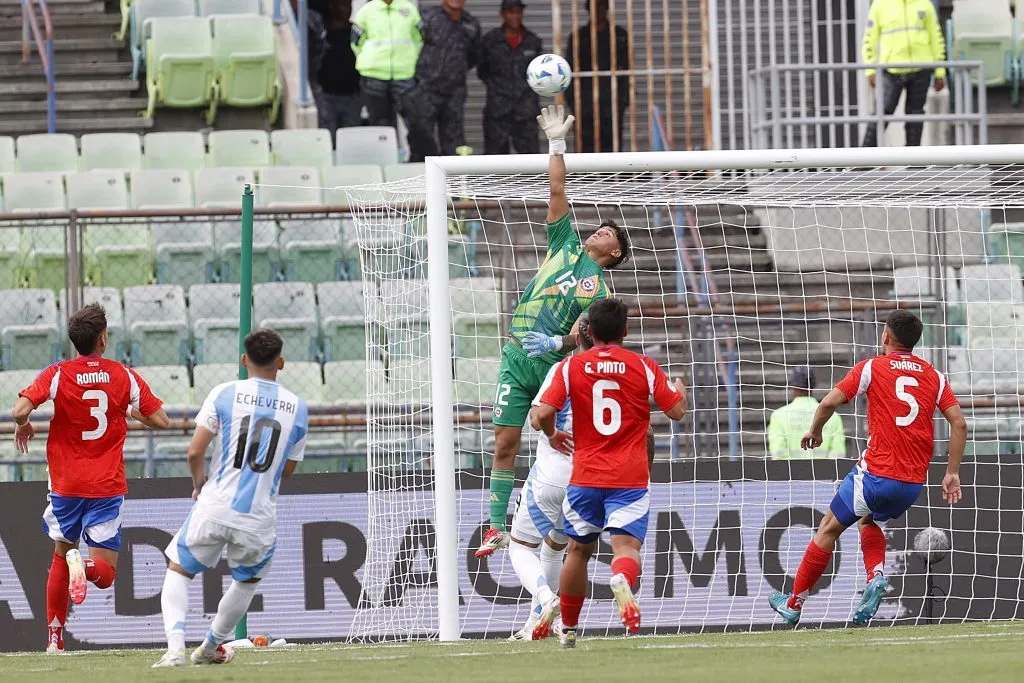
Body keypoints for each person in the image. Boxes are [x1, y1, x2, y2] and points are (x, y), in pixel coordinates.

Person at [474, 105, 631, 559]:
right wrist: (557, 144)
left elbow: (586, 335)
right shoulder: (563, 243)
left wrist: (556, 343)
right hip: (514, 355)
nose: (596, 231)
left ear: (615, 251)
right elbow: (557, 187)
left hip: (548, 365)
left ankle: (548, 526)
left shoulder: (599, 289)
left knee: (551, 447)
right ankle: (494, 526)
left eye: (605, 233)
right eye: (597, 227)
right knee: (504, 441)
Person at [768, 310, 967, 627]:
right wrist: (952, 472)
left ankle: (793, 604)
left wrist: (816, 432)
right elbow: (959, 423)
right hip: (912, 483)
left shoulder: (873, 367)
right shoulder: (935, 376)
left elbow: (828, 403)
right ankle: (875, 575)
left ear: (886, 336)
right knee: (867, 519)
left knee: (829, 527)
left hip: (876, 473)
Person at [12, 303, 169, 654]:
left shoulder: (58, 373)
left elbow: (19, 409)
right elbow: (161, 420)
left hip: (66, 485)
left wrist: (24, 426)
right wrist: (128, 410)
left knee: (58, 555)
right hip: (105, 486)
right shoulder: (122, 375)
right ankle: (82, 565)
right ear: (103, 338)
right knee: (106, 574)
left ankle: (54, 638)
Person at [530, 297, 687, 647]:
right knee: (627, 549)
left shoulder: (571, 368)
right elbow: (676, 412)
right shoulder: (643, 366)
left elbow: (541, 415)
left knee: (577, 552)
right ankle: (619, 579)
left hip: (584, 476)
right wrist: (681, 392)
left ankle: (568, 630)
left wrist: (553, 434)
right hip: (629, 478)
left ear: (590, 332)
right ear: (625, 331)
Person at [152, 329, 309, 668]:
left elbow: (195, 451)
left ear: (243, 360)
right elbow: (287, 470)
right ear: (281, 362)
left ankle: (175, 649)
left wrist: (198, 484)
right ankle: (210, 648)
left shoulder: (224, 393)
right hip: (258, 516)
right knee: (247, 582)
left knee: (178, 570)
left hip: (215, 504)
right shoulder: (298, 408)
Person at [506, 312, 591, 642]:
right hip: (585, 477)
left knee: (520, 546)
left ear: (579, 337)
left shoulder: (564, 369)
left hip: (552, 472)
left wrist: (551, 429)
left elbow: (538, 417)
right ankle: (537, 625)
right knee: (557, 547)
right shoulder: (613, 374)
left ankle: (546, 600)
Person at [404, 0, 481, 161]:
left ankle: (452, 184)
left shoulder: (471, 24)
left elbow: (473, 56)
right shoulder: (427, 18)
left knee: (453, 142)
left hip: (454, 92)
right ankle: (420, 182)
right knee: (421, 137)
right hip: (425, 89)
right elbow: (410, 45)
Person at [860, 0, 945, 147]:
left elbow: (936, 38)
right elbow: (869, 39)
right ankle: (862, 163)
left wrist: (939, 71)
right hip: (891, 70)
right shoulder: (880, 5)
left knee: (915, 117)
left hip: (921, 68)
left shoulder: (925, 4)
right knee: (881, 114)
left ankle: (914, 163)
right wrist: (870, 69)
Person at [477, 0, 542, 155]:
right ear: (503, 14)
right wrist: (499, 89)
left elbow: (538, 72)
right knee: (496, 161)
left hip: (526, 111)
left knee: (531, 161)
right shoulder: (490, 40)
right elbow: (482, 71)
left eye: (518, 12)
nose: (515, 16)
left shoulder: (532, 41)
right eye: (511, 12)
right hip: (498, 111)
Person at [565, 0, 629, 152]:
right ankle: (586, 176)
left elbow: (627, 70)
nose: (598, 10)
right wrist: (573, 101)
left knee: (612, 149)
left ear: (607, 8)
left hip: (611, 102)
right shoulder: (579, 37)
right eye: (594, 6)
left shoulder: (619, 35)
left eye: (602, 6)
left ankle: (614, 177)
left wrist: (623, 100)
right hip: (584, 103)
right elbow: (570, 71)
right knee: (584, 149)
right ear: (588, 9)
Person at [351, 0, 422, 130]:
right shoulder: (366, 11)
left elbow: (419, 39)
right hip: (374, 76)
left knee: (416, 123)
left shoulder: (409, 9)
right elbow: (355, 43)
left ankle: (416, 151)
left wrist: (410, 60)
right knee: (379, 126)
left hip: (405, 75)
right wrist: (370, 61)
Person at [767, 366, 846, 459]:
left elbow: (778, 454)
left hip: (790, 473)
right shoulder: (833, 416)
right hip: (826, 472)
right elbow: (838, 454)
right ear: (813, 385)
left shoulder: (778, 416)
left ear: (792, 386)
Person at [316, 0, 364, 135]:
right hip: (327, 97)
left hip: (352, 96)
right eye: (342, 4)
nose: (346, 9)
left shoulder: (356, 32)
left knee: (351, 140)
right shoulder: (322, 32)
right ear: (331, 5)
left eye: (349, 4)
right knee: (328, 140)